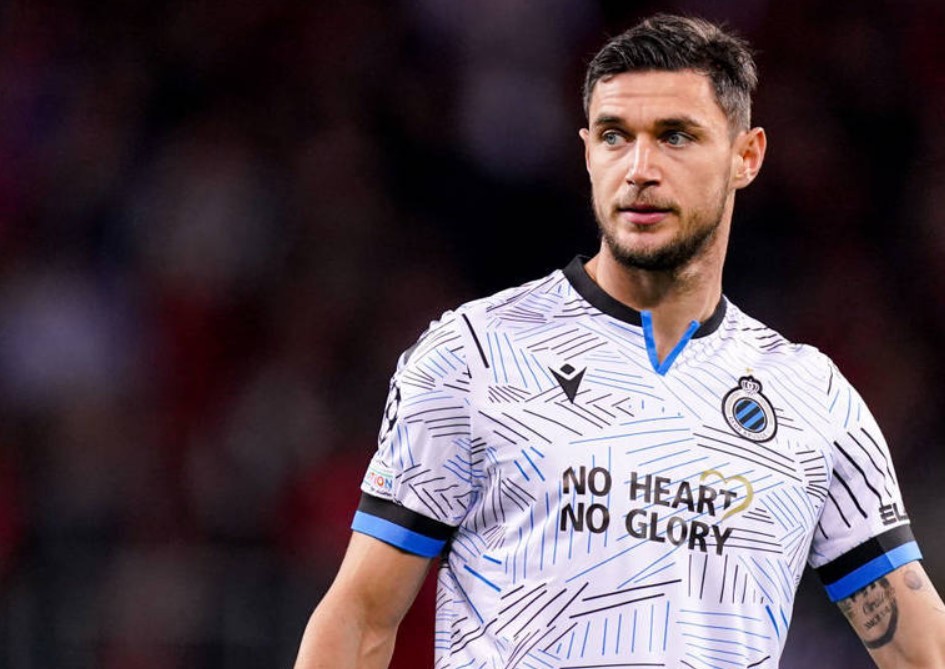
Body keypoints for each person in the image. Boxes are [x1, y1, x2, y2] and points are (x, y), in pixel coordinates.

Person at [293, 14, 945, 669]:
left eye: (675, 136)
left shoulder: (812, 398)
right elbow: (360, 619)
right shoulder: (474, 356)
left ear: (745, 156)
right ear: (587, 152)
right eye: (614, 136)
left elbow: (919, 648)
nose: (639, 169)